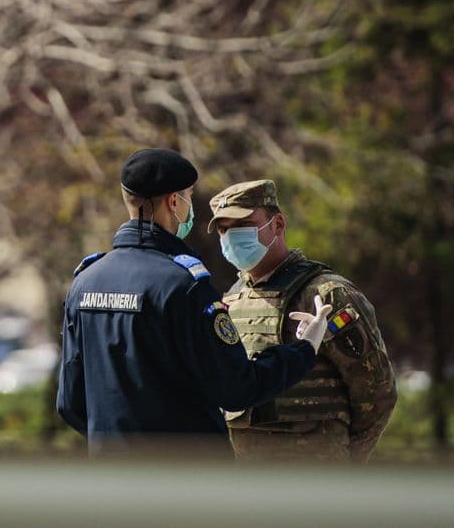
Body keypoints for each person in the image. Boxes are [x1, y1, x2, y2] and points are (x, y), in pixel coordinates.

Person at [56, 148, 332, 455]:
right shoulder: (182, 284)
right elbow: (238, 389)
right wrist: (304, 349)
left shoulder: (85, 282)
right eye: (188, 197)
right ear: (174, 202)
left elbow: (70, 403)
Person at [207, 179, 397, 462]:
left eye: (242, 226)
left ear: (278, 225)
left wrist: (346, 461)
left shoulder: (326, 294)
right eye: (224, 230)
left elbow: (376, 392)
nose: (231, 238)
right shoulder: (230, 302)